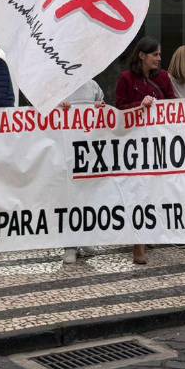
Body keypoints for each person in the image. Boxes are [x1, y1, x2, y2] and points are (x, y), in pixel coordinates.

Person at [114, 36, 174, 265]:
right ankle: (137, 244)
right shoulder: (126, 79)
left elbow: (172, 105)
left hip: (158, 145)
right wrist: (139, 107)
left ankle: (149, 233)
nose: (159, 59)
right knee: (137, 192)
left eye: (159, 55)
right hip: (134, 147)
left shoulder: (164, 78)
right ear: (142, 56)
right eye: (155, 55)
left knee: (156, 190)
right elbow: (119, 109)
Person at [59, 78, 104, 266]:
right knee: (69, 196)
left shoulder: (93, 85)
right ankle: (70, 245)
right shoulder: (59, 85)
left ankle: (85, 238)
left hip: (88, 150)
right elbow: (44, 111)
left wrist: (100, 108)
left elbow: (102, 108)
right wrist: (59, 107)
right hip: (65, 149)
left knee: (87, 195)